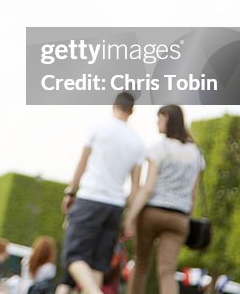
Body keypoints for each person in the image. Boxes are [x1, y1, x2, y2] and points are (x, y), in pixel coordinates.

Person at [57, 92, 145, 294]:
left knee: (73, 256)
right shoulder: (138, 142)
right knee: (98, 264)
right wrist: (129, 219)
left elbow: (83, 161)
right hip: (115, 206)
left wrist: (71, 191)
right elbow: (135, 188)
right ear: (131, 111)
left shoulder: (98, 127)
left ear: (113, 105)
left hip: (91, 198)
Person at [123, 105, 205, 294]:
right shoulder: (196, 154)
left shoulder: (159, 148)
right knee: (167, 271)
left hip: (152, 213)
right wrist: (186, 220)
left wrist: (130, 216)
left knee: (141, 265)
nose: (157, 123)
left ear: (167, 118)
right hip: (179, 218)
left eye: (159, 118)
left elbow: (148, 187)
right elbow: (193, 195)